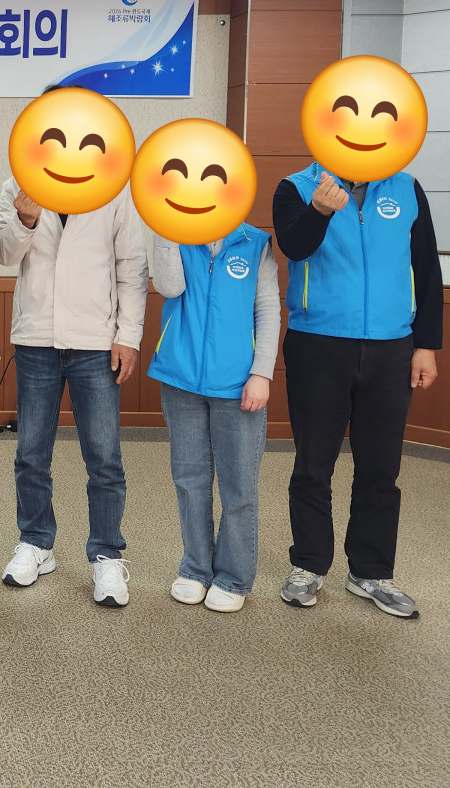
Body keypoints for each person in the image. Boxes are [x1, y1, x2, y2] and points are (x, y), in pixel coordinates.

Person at [272, 165, 443, 618]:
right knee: (313, 464)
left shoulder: (406, 187)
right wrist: (318, 211)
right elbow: (293, 247)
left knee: (381, 468)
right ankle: (308, 565)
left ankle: (371, 571)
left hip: (392, 346)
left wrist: (426, 346)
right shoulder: (297, 187)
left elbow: (426, 266)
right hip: (318, 344)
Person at [0, 176, 147, 606]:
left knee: (104, 457)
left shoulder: (113, 188)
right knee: (31, 453)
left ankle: (106, 554)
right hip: (36, 338)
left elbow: (132, 265)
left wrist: (128, 336)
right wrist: (24, 220)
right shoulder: (17, 184)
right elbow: (5, 255)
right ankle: (36, 542)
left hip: (95, 341)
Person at [148, 227, 280, 612]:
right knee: (190, 480)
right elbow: (169, 287)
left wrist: (262, 372)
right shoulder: (178, 234)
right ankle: (195, 569)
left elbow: (267, 309)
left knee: (239, 485)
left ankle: (233, 578)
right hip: (181, 377)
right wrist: (164, 227)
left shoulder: (255, 243)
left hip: (238, 383)